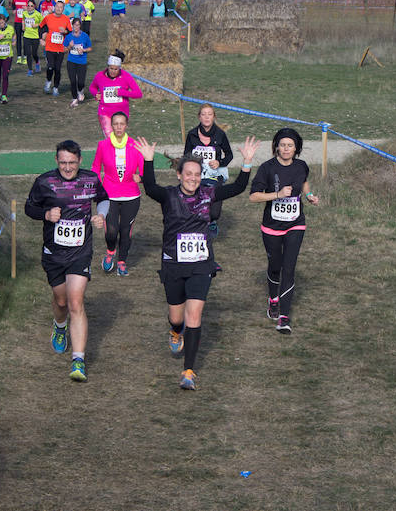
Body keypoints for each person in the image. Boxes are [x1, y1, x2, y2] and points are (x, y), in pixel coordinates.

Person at [135, 135, 261, 390]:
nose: (193, 178)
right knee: (176, 316)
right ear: (179, 175)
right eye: (188, 174)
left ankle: (188, 371)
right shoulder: (168, 196)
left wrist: (246, 162)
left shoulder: (208, 193)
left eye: (197, 173)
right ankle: (174, 331)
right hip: (173, 264)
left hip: (201, 264)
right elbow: (149, 187)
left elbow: (236, 188)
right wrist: (148, 160)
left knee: (195, 314)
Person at [24, 140, 109, 382]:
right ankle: (60, 326)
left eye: (72, 162)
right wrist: (46, 214)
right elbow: (29, 208)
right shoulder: (44, 182)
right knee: (61, 301)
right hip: (53, 254)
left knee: (75, 301)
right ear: (56, 161)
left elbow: (103, 198)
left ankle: (78, 360)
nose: (68, 167)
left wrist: (101, 215)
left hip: (80, 252)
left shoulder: (90, 180)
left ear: (80, 161)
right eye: (63, 162)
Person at [248, 128, 320, 333]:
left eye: (290, 145)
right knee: (275, 266)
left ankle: (284, 317)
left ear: (296, 148)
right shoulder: (267, 168)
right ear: (276, 147)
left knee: (289, 268)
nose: (286, 148)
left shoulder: (301, 166)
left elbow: (304, 182)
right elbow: (253, 196)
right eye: (282, 145)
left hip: (295, 224)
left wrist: (309, 195)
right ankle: (273, 298)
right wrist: (277, 194)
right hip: (271, 226)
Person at [91, 112, 144, 276]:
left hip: (131, 196)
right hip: (109, 196)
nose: (119, 127)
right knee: (112, 231)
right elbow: (95, 168)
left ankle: (122, 262)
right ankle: (110, 252)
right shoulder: (103, 145)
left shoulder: (135, 146)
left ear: (126, 125)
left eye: (122, 124)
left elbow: (145, 172)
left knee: (125, 231)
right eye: (116, 124)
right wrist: (97, 188)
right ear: (111, 126)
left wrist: (140, 178)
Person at [183, 104, 233, 234]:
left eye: (209, 114)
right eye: (203, 114)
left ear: (214, 117)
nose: (206, 117)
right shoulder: (192, 134)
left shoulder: (220, 134)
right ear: (199, 117)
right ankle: (196, 226)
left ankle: (212, 222)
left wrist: (219, 162)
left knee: (214, 211)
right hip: (196, 175)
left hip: (214, 175)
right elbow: (186, 155)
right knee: (194, 204)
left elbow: (229, 154)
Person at [88, 50, 143, 136]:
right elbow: (92, 87)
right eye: (111, 68)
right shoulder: (100, 76)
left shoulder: (126, 76)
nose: (113, 71)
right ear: (108, 67)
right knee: (110, 138)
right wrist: (96, 94)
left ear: (119, 68)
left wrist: (123, 92)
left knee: (119, 138)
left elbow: (138, 94)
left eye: (116, 69)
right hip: (105, 112)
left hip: (121, 113)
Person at [39, 0, 71, 96]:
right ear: (54, 7)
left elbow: (70, 32)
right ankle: (48, 82)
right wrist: (41, 39)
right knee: (50, 67)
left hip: (60, 48)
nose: (58, 9)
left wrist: (65, 31)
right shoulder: (48, 17)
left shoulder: (66, 19)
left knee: (57, 69)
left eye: (61, 7)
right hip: (49, 47)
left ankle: (56, 88)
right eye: (57, 6)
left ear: (63, 9)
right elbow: (41, 27)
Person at [63, 18, 92, 108]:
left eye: (78, 25)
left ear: (80, 26)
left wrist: (83, 50)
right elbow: (64, 50)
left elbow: (90, 48)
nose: (76, 27)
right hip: (71, 61)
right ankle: (74, 98)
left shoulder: (85, 36)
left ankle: (80, 91)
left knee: (80, 82)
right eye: (75, 25)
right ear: (72, 26)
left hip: (82, 62)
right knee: (72, 81)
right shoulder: (68, 37)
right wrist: (69, 46)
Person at [11, 0, 33, 65]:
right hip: (17, 22)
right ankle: (19, 57)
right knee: (18, 40)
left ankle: (26, 57)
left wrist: (27, 8)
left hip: (26, 22)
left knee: (26, 40)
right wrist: (14, 9)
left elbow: (34, 8)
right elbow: (13, 4)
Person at [21, 0, 43, 76]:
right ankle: (30, 70)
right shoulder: (25, 13)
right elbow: (23, 19)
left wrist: (36, 25)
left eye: (31, 6)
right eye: (28, 6)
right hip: (26, 36)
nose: (29, 7)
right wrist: (23, 26)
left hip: (35, 36)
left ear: (34, 6)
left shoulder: (38, 14)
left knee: (34, 53)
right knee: (28, 53)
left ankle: (37, 62)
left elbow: (42, 23)